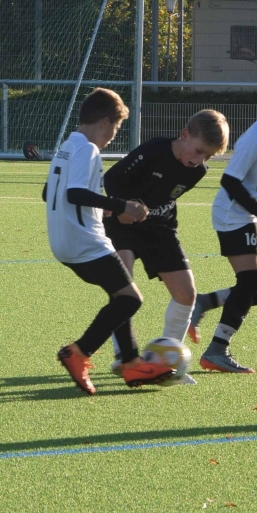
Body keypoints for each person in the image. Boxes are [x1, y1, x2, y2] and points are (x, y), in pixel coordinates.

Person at [50, 88, 176, 395]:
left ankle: (131, 362)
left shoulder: (67, 146)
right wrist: (122, 205)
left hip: (64, 241)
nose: (114, 135)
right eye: (117, 128)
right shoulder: (87, 149)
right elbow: (74, 194)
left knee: (119, 295)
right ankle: (78, 352)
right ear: (105, 121)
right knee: (131, 299)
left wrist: (100, 207)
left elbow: (50, 192)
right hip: (85, 241)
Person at [102, 109, 231, 379]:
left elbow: (165, 198)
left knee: (187, 293)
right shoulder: (154, 149)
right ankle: (124, 356)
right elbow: (112, 178)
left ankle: (167, 361)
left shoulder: (197, 171)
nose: (200, 160)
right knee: (122, 287)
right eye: (199, 151)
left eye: (207, 156)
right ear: (184, 135)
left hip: (160, 228)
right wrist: (122, 206)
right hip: (123, 222)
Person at [189, 71, 257, 374]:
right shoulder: (255, 139)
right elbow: (230, 182)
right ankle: (217, 351)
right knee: (250, 282)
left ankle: (205, 302)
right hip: (232, 215)